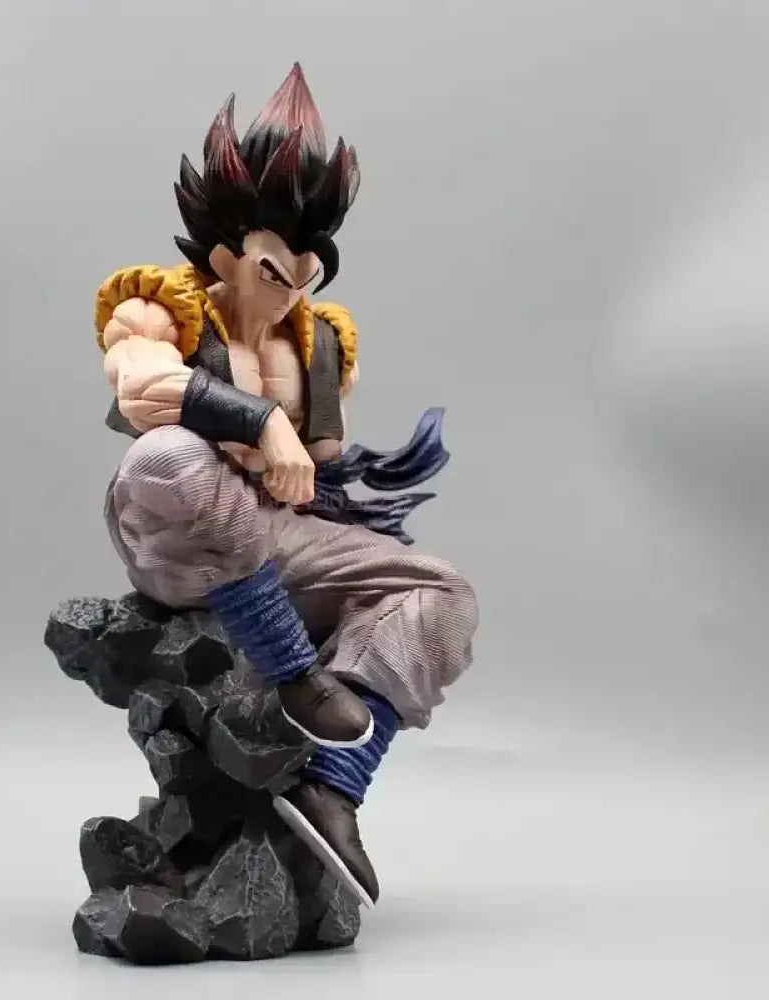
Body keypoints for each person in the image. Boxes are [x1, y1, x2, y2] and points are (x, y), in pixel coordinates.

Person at [95, 63, 479, 908]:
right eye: (276, 271)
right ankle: (296, 675)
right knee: (168, 455)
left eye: (308, 273)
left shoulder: (318, 341)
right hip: (177, 534)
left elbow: (322, 459)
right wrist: (262, 422)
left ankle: (334, 787)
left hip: (274, 536)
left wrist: (341, 479)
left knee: (442, 593)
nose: (293, 291)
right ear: (226, 254)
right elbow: (142, 390)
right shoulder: (159, 309)